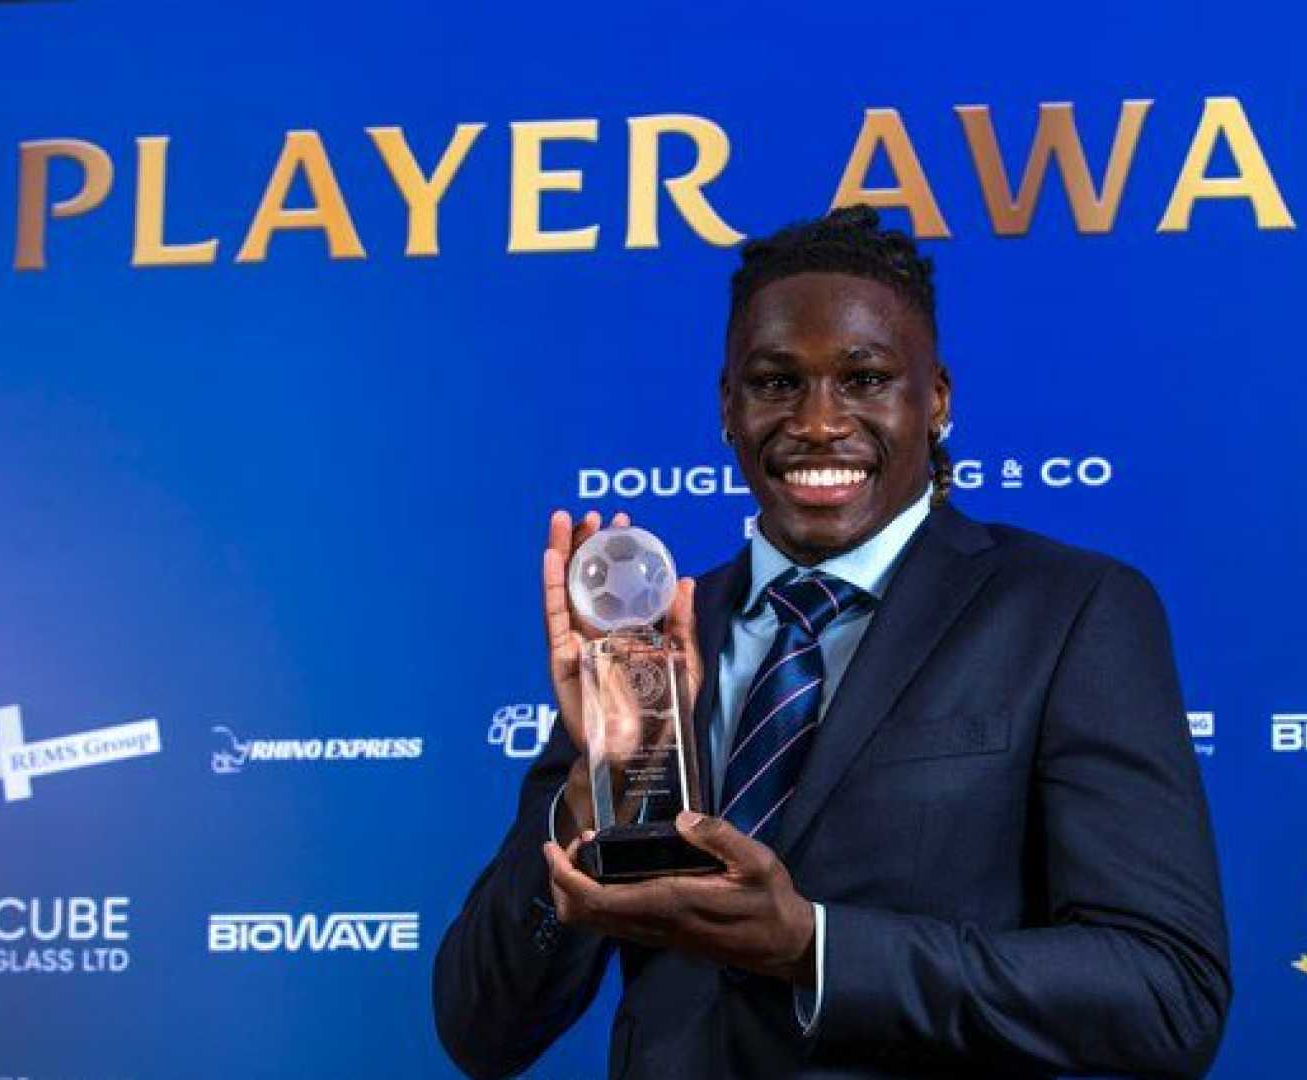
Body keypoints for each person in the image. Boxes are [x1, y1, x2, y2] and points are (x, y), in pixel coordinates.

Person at [433, 205, 1230, 1079]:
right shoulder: (649, 648)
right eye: (777, 382)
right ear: (728, 407)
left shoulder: (1068, 612)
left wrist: (815, 948)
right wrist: (600, 790)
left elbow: (1167, 993)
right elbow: (482, 1028)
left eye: (865, 379)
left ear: (936, 400)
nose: (817, 422)